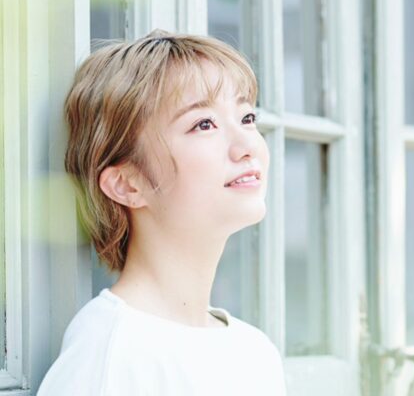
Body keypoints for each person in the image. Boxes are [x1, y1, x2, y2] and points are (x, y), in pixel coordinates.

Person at [37, 28, 287, 395]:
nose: (247, 145)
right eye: (204, 124)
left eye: (248, 118)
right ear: (127, 184)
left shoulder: (255, 353)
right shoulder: (111, 354)